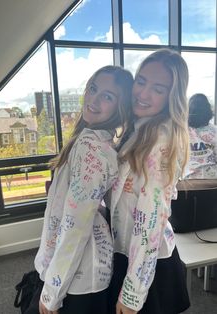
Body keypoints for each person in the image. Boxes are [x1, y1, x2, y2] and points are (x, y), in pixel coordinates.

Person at [34, 65, 134, 314]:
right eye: (93, 89)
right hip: (79, 270)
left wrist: (52, 292)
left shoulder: (93, 149)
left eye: (107, 97)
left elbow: (75, 229)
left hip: (79, 277)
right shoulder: (90, 139)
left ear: (120, 108)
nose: (94, 99)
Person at [108, 49, 190, 314]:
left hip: (146, 264)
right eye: (141, 81)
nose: (142, 94)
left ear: (171, 97)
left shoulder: (160, 139)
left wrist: (133, 292)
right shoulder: (140, 128)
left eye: (157, 89)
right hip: (131, 255)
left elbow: (151, 218)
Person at [184, 93, 217, 180]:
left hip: (187, 180)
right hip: (212, 181)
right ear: (208, 111)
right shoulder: (215, 130)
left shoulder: (181, 131)